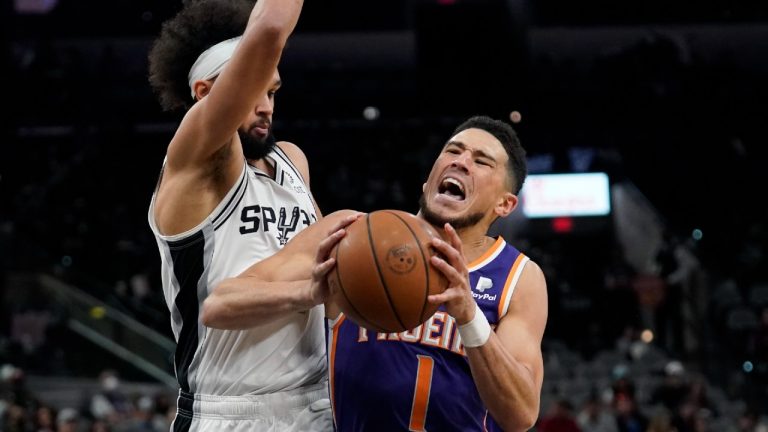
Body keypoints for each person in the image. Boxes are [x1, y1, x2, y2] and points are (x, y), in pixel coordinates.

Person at [207, 116, 549, 431]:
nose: (460, 161)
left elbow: (520, 414)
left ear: (504, 204)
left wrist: (469, 316)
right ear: (428, 179)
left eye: (481, 160)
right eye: (453, 151)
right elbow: (219, 304)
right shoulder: (351, 236)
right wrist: (309, 293)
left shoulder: (519, 277)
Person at [146, 0, 331, 430]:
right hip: (230, 410)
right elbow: (268, 29)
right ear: (205, 95)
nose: (266, 105)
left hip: (318, 401)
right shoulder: (194, 162)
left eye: (272, 92)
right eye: (253, 92)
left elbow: (331, 271)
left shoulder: (292, 162)